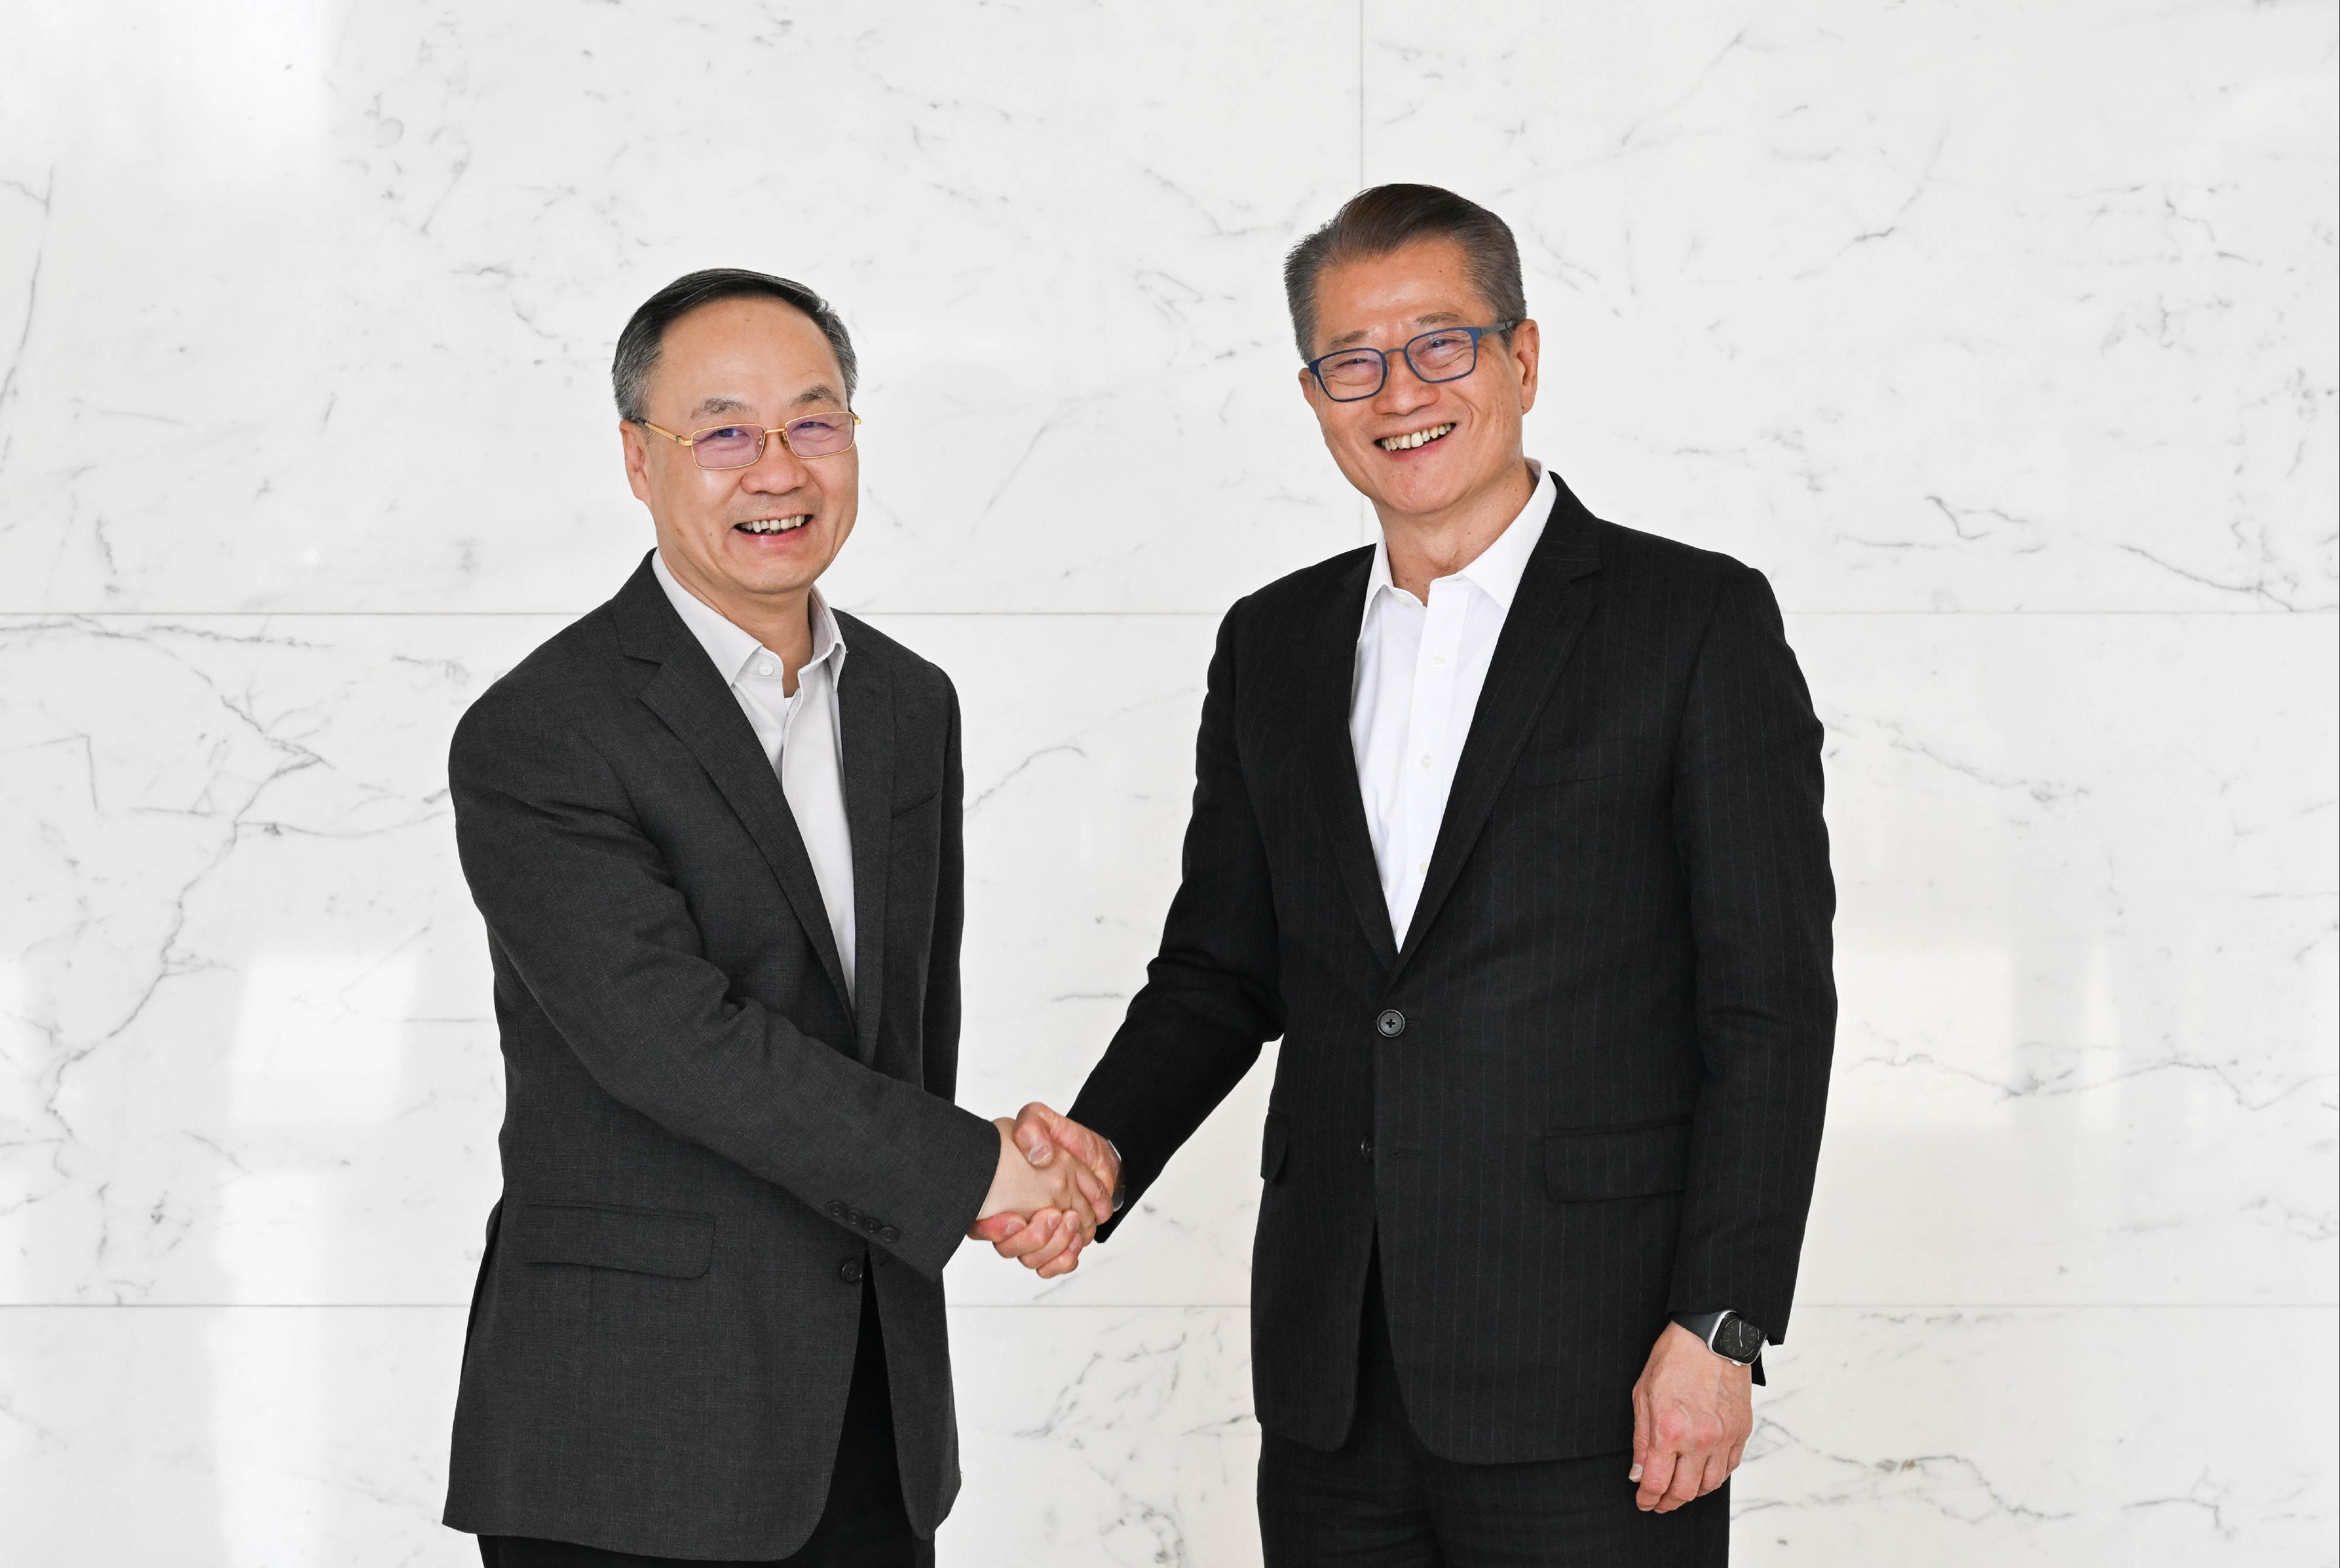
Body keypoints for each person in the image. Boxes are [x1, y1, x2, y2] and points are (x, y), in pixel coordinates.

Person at [978, 185, 1836, 1564]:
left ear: (1521, 359)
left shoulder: (1692, 621)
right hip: (1332, 1376)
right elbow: (1218, 973)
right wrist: (1096, 1157)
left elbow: (1768, 1007)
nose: (1399, 393)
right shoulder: (1271, 644)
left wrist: (1719, 1325)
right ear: (1312, 397)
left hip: (1602, 1372)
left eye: (1440, 345)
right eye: (1352, 362)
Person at [441, 268, 1106, 1566]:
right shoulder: (542, 730)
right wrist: (979, 1173)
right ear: (638, 459)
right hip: (627, 1435)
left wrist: (991, 1177)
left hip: (871, 1417)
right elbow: (670, 1041)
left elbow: (903, 1041)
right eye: (725, 432)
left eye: (814, 422)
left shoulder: (909, 703)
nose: (778, 469)